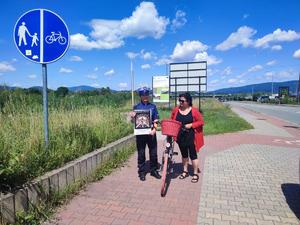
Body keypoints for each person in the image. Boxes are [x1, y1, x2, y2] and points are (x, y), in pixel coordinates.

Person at [171, 92, 204, 183]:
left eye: (182, 101)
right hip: (180, 137)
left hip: (191, 136)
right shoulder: (176, 110)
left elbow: (201, 122)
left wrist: (191, 125)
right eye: (179, 100)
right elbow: (172, 121)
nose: (180, 102)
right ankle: (185, 171)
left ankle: (195, 173)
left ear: (188, 101)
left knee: (193, 155)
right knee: (184, 154)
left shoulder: (193, 111)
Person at [130, 87, 161, 181]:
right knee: (141, 153)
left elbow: (156, 120)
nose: (145, 96)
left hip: (151, 133)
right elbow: (133, 122)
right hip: (140, 134)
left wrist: (155, 129)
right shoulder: (136, 107)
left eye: (146, 94)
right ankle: (142, 172)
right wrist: (132, 117)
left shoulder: (153, 106)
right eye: (143, 95)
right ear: (140, 96)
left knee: (153, 153)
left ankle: (154, 170)